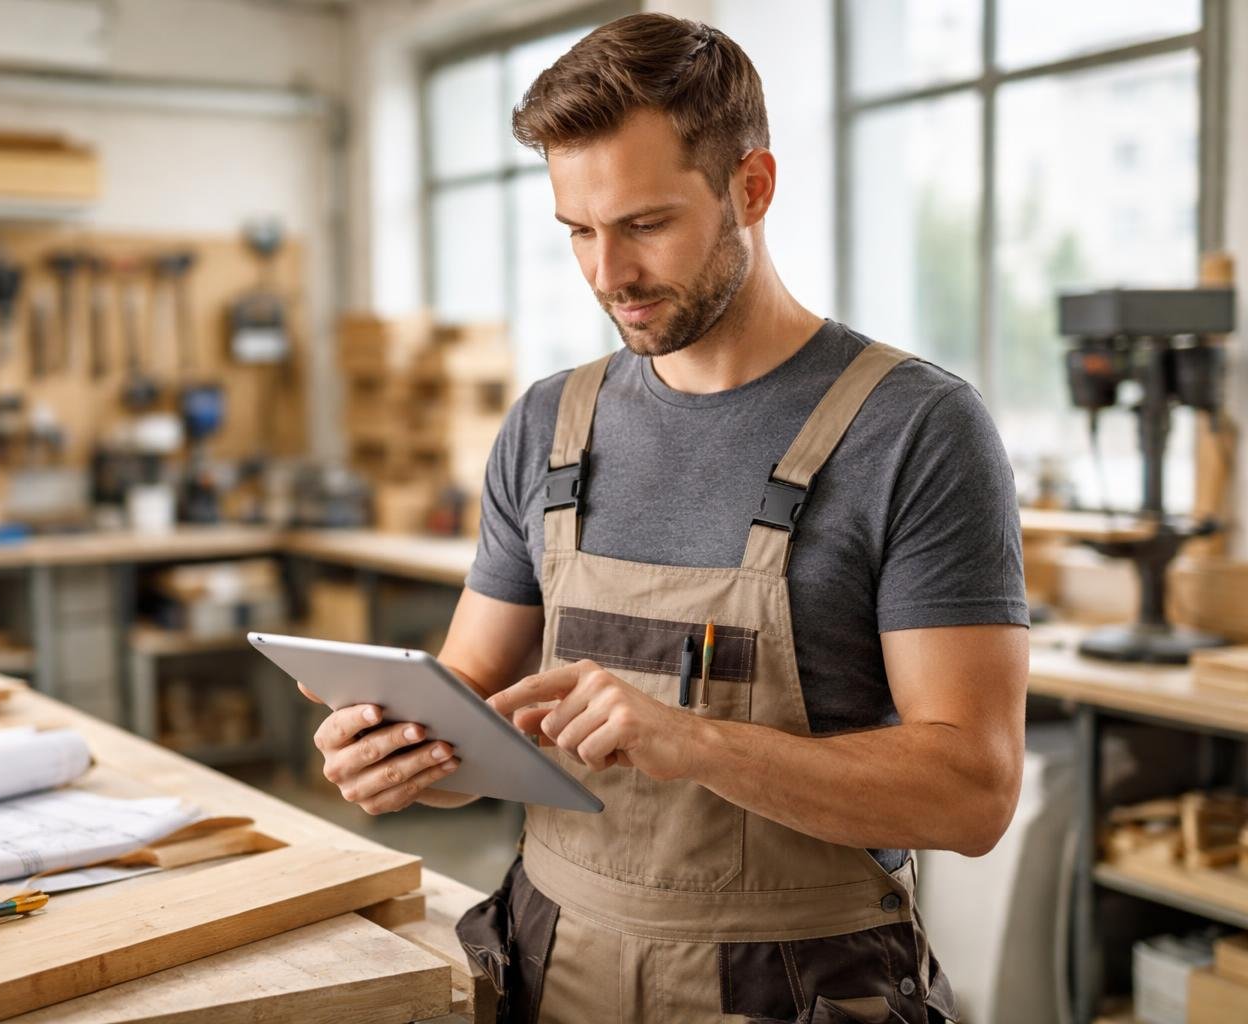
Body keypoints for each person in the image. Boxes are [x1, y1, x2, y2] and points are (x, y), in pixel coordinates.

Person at [305, 13, 1027, 1022]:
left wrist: (690, 741)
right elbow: (471, 703)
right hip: (551, 966)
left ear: (752, 187)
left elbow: (974, 792)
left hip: (798, 988)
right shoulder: (546, 425)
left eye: (645, 224)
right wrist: (398, 755)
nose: (608, 274)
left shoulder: (915, 429)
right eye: (578, 232)